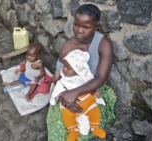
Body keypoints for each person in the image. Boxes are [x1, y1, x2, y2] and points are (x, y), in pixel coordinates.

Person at [46, 3, 115, 141]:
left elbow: (101, 78)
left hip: (93, 90)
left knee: (91, 121)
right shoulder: (70, 45)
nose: (79, 31)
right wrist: (65, 97)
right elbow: (59, 74)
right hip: (68, 88)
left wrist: (75, 93)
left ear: (96, 27)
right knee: (60, 125)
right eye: (76, 25)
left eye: (86, 27)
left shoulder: (104, 44)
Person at [50, 49, 106, 141]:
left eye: (68, 68)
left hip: (88, 104)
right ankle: (73, 131)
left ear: (78, 70)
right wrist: (63, 99)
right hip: (69, 106)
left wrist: (95, 93)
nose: (64, 69)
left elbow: (91, 86)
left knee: (95, 111)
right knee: (67, 116)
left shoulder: (85, 77)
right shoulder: (64, 80)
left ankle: (95, 127)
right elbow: (58, 91)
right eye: (64, 66)